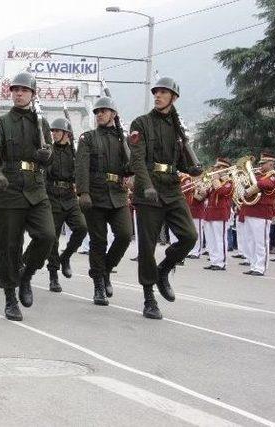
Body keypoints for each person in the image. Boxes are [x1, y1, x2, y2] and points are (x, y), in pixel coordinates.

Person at [128, 76, 202, 320]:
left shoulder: (177, 127)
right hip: (149, 191)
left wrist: (191, 168)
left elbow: (177, 160)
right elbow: (137, 160)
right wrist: (146, 185)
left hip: (171, 188)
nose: (158, 96)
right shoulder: (141, 123)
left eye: (163, 92)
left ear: (174, 98)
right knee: (147, 247)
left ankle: (164, 269)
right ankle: (149, 298)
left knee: (190, 236)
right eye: (156, 92)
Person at [0, 71, 56, 321]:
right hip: (9, 188)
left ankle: (26, 275)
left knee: (47, 236)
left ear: (33, 94)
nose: (19, 93)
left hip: (36, 188)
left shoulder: (42, 123)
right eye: (15, 89)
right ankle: (10, 298)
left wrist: (47, 158)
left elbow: (50, 154)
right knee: (9, 247)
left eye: (24, 90)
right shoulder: (0, 123)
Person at [76, 96, 132, 305]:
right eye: (97, 111)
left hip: (117, 194)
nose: (99, 114)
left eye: (104, 111)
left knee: (125, 235)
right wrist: (83, 192)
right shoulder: (88, 138)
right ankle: (98, 284)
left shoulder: (122, 140)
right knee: (98, 242)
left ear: (113, 114)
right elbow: (81, 167)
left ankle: (104, 270)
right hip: (95, 195)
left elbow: (129, 168)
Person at [45, 117, 87, 293]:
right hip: (52, 196)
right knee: (52, 238)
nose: (54, 134)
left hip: (70, 196)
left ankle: (66, 256)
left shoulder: (75, 151)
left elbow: (82, 171)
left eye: (57, 131)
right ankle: (53, 275)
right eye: (52, 131)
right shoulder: (49, 150)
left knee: (82, 228)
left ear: (66, 134)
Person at [238, 152, 275, 276]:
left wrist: (253, 182)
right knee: (251, 240)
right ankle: (253, 264)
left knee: (261, 241)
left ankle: (260, 267)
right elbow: (247, 187)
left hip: (262, 212)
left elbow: (265, 184)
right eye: (260, 163)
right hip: (250, 209)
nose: (260, 165)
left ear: (271, 164)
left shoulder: (274, 175)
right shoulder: (260, 175)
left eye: (263, 163)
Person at [202, 158, 234, 271]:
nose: (215, 169)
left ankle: (221, 263)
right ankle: (214, 261)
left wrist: (215, 180)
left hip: (220, 213)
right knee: (211, 239)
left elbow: (222, 192)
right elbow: (206, 195)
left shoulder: (229, 182)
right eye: (216, 167)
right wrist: (202, 190)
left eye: (218, 168)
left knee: (220, 238)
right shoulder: (215, 181)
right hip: (210, 213)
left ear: (224, 169)